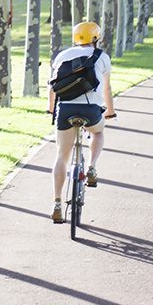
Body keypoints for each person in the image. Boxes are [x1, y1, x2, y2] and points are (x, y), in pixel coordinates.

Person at [46, 21, 116, 223]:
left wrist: (51, 108)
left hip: (65, 109)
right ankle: (92, 167)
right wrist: (110, 112)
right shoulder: (102, 57)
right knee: (98, 132)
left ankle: (57, 203)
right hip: (91, 110)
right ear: (96, 38)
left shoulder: (62, 56)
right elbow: (107, 89)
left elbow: (52, 88)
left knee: (62, 155)